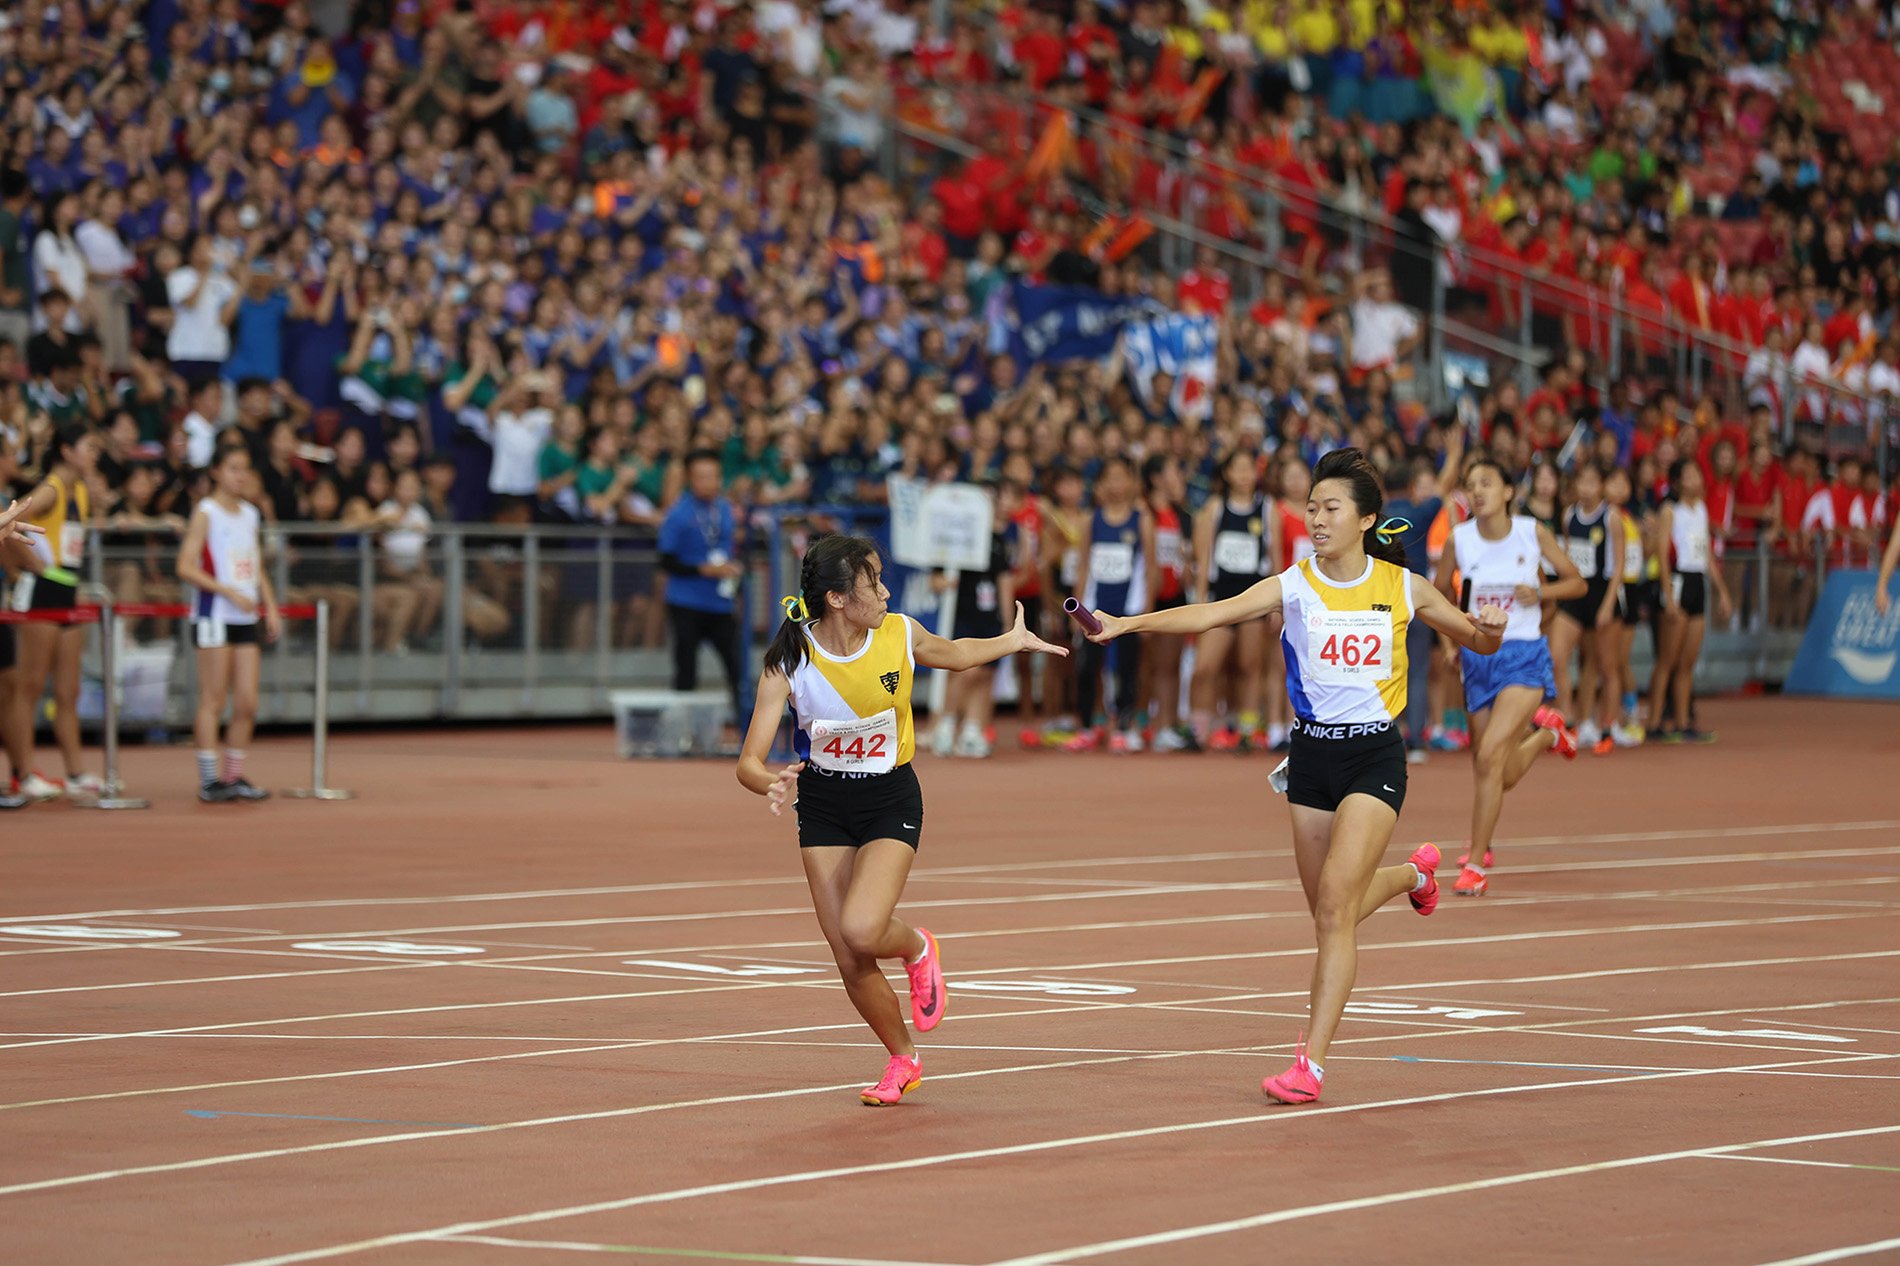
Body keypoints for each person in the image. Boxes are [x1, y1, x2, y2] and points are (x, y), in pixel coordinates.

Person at [1082, 448, 1508, 1105]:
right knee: (1327, 913)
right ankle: (1412, 876)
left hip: (1374, 756)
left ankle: (1308, 1063)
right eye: (1311, 507)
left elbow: (1477, 642)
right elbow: (1213, 612)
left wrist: (1491, 631)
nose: (1315, 518)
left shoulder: (1402, 587)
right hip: (1310, 760)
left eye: (1330, 508)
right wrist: (1130, 623)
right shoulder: (1296, 582)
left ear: (1365, 519)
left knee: (1337, 906)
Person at [734, 534, 1068, 1106]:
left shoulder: (899, 633)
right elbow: (748, 762)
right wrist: (773, 782)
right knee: (847, 950)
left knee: (864, 928)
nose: (887, 591)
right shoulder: (790, 659)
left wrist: (1010, 641)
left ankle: (916, 948)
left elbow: (957, 652)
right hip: (822, 804)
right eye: (874, 582)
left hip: (890, 798)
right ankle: (902, 1058)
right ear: (838, 599)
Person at [1436, 458, 1588, 897]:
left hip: (1523, 656)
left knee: (1488, 759)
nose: (1477, 491)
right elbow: (1440, 590)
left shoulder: (1530, 532)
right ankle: (1545, 737)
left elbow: (1576, 583)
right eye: (1471, 485)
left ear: (1507, 492)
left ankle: (1477, 864)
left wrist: (1541, 592)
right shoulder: (1460, 540)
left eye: (1486, 482)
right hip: (1478, 657)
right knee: (1490, 767)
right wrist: (1451, 641)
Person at [175, 442, 282, 802]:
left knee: (248, 701)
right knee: (214, 699)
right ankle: (209, 780)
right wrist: (226, 591)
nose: (241, 476)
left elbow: (254, 564)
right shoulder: (206, 512)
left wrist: (270, 605)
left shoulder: (250, 514)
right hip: (214, 614)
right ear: (217, 472)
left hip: (245, 615)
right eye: (233, 468)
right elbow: (185, 566)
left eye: (245, 469)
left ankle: (233, 776)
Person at [7, 423, 106, 801]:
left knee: (68, 690)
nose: (96, 455)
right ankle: (23, 773)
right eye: (90, 447)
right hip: (43, 590)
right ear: (67, 451)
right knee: (29, 687)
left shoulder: (77, 489)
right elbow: (9, 520)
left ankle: (76, 772)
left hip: (68, 590)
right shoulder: (50, 489)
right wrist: (31, 567)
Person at [1188, 448, 1277, 750]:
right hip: (1220, 599)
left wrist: (1277, 604)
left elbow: (1274, 559)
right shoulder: (1215, 508)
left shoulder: (1267, 509)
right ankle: (1200, 731)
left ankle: (1247, 730)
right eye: (1237, 468)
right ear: (1226, 474)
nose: (1243, 475)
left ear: (1257, 473)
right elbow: (1203, 558)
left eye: (1248, 468)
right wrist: (1200, 600)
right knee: (1205, 667)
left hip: (1255, 598)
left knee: (1249, 666)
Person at [1646, 459, 1734, 742]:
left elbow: (1706, 554)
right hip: (1678, 580)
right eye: (1688, 476)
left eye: (1697, 474)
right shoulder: (1671, 511)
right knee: (1667, 659)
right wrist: (1669, 596)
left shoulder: (1702, 510)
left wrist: (1722, 591)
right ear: (1677, 482)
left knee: (1687, 661)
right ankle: (1655, 722)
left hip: (1697, 582)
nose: (1695, 480)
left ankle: (1683, 722)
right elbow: (1661, 553)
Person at [1069, 455, 1153, 752]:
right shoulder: (1091, 519)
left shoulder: (1141, 519)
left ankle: (1124, 724)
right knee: (1087, 667)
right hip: (1094, 608)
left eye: (1122, 477)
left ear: (1132, 482)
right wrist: (1076, 611)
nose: (1116, 485)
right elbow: (1083, 566)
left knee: (1127, 669)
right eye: (1110, 478)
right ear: (1101, 484)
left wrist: (1147, 613)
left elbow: (1149, 567)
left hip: (1129, 607)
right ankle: (1089, 725)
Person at [657, 449, 745, 729]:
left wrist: (732, 571)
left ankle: (747, 726)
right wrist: (705, 570)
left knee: (736, 664)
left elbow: (727, 546)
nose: (709, 482)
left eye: (714, 476)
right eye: (702, 477)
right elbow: (665, 561)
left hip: (720, 603)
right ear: (690, 479)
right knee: (686, 668)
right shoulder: (678, 513)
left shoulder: (724, 509)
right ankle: (681, 729)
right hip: (686, 602)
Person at [1549, 463, 1626, 754]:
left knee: (1607, 666)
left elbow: (1618, 565)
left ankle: (1607, 727)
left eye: (1592, 482)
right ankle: (1568, 722)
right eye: (1581, 482)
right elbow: (1569, 556)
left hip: (1603, 593)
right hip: (1576, 594)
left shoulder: (1611, 517)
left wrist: (1608, 604)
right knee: (1557, 657)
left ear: (1602, 486)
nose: (1586, 489)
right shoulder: (1570, 515)